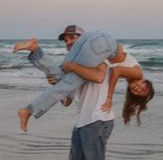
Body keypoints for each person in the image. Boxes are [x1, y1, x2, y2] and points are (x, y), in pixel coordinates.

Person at [14, 25, 154, 131]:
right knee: (69, 80)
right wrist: (109, 97)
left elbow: (66, 98)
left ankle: (35, 50)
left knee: (61, 74)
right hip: (103, 43)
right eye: (144, 88)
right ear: (145, 81)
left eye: (137, 92)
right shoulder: (138, 74)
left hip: (97, 39)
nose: (138, 88)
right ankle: (29, 110)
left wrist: (57, 82)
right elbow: (115, 71)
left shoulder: (127, 71)